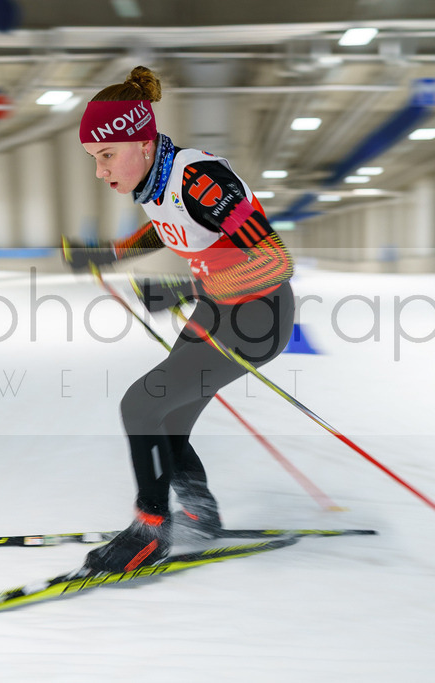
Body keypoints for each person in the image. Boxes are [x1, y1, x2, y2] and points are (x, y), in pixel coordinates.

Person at [63, 66, 296, 573]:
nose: (100, 171)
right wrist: (106, 255)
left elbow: (275, 262)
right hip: (220, 309)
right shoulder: (157, 179)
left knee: (141, 404)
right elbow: (168, 229)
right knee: (168, 416)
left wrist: (182, 288)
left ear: (143, 143)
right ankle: (198, 511)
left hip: (258, 317)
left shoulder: (200, 178)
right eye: (94, 159)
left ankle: (150, 530)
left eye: (106, 155)